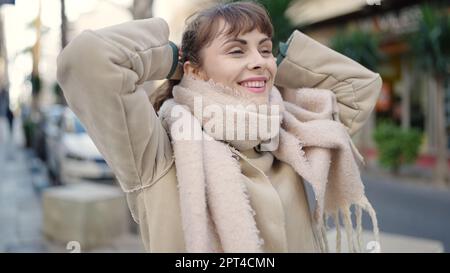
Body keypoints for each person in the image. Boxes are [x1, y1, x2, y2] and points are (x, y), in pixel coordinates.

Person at [57, 1, 382, 253]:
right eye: (236, 50)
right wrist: (174, 59)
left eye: (264, 48)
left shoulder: (289, 133)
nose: (258, 59)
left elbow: (360, 89)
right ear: (194, 71)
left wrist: (272, 66)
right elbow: (87, 59)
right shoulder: (157, 151)